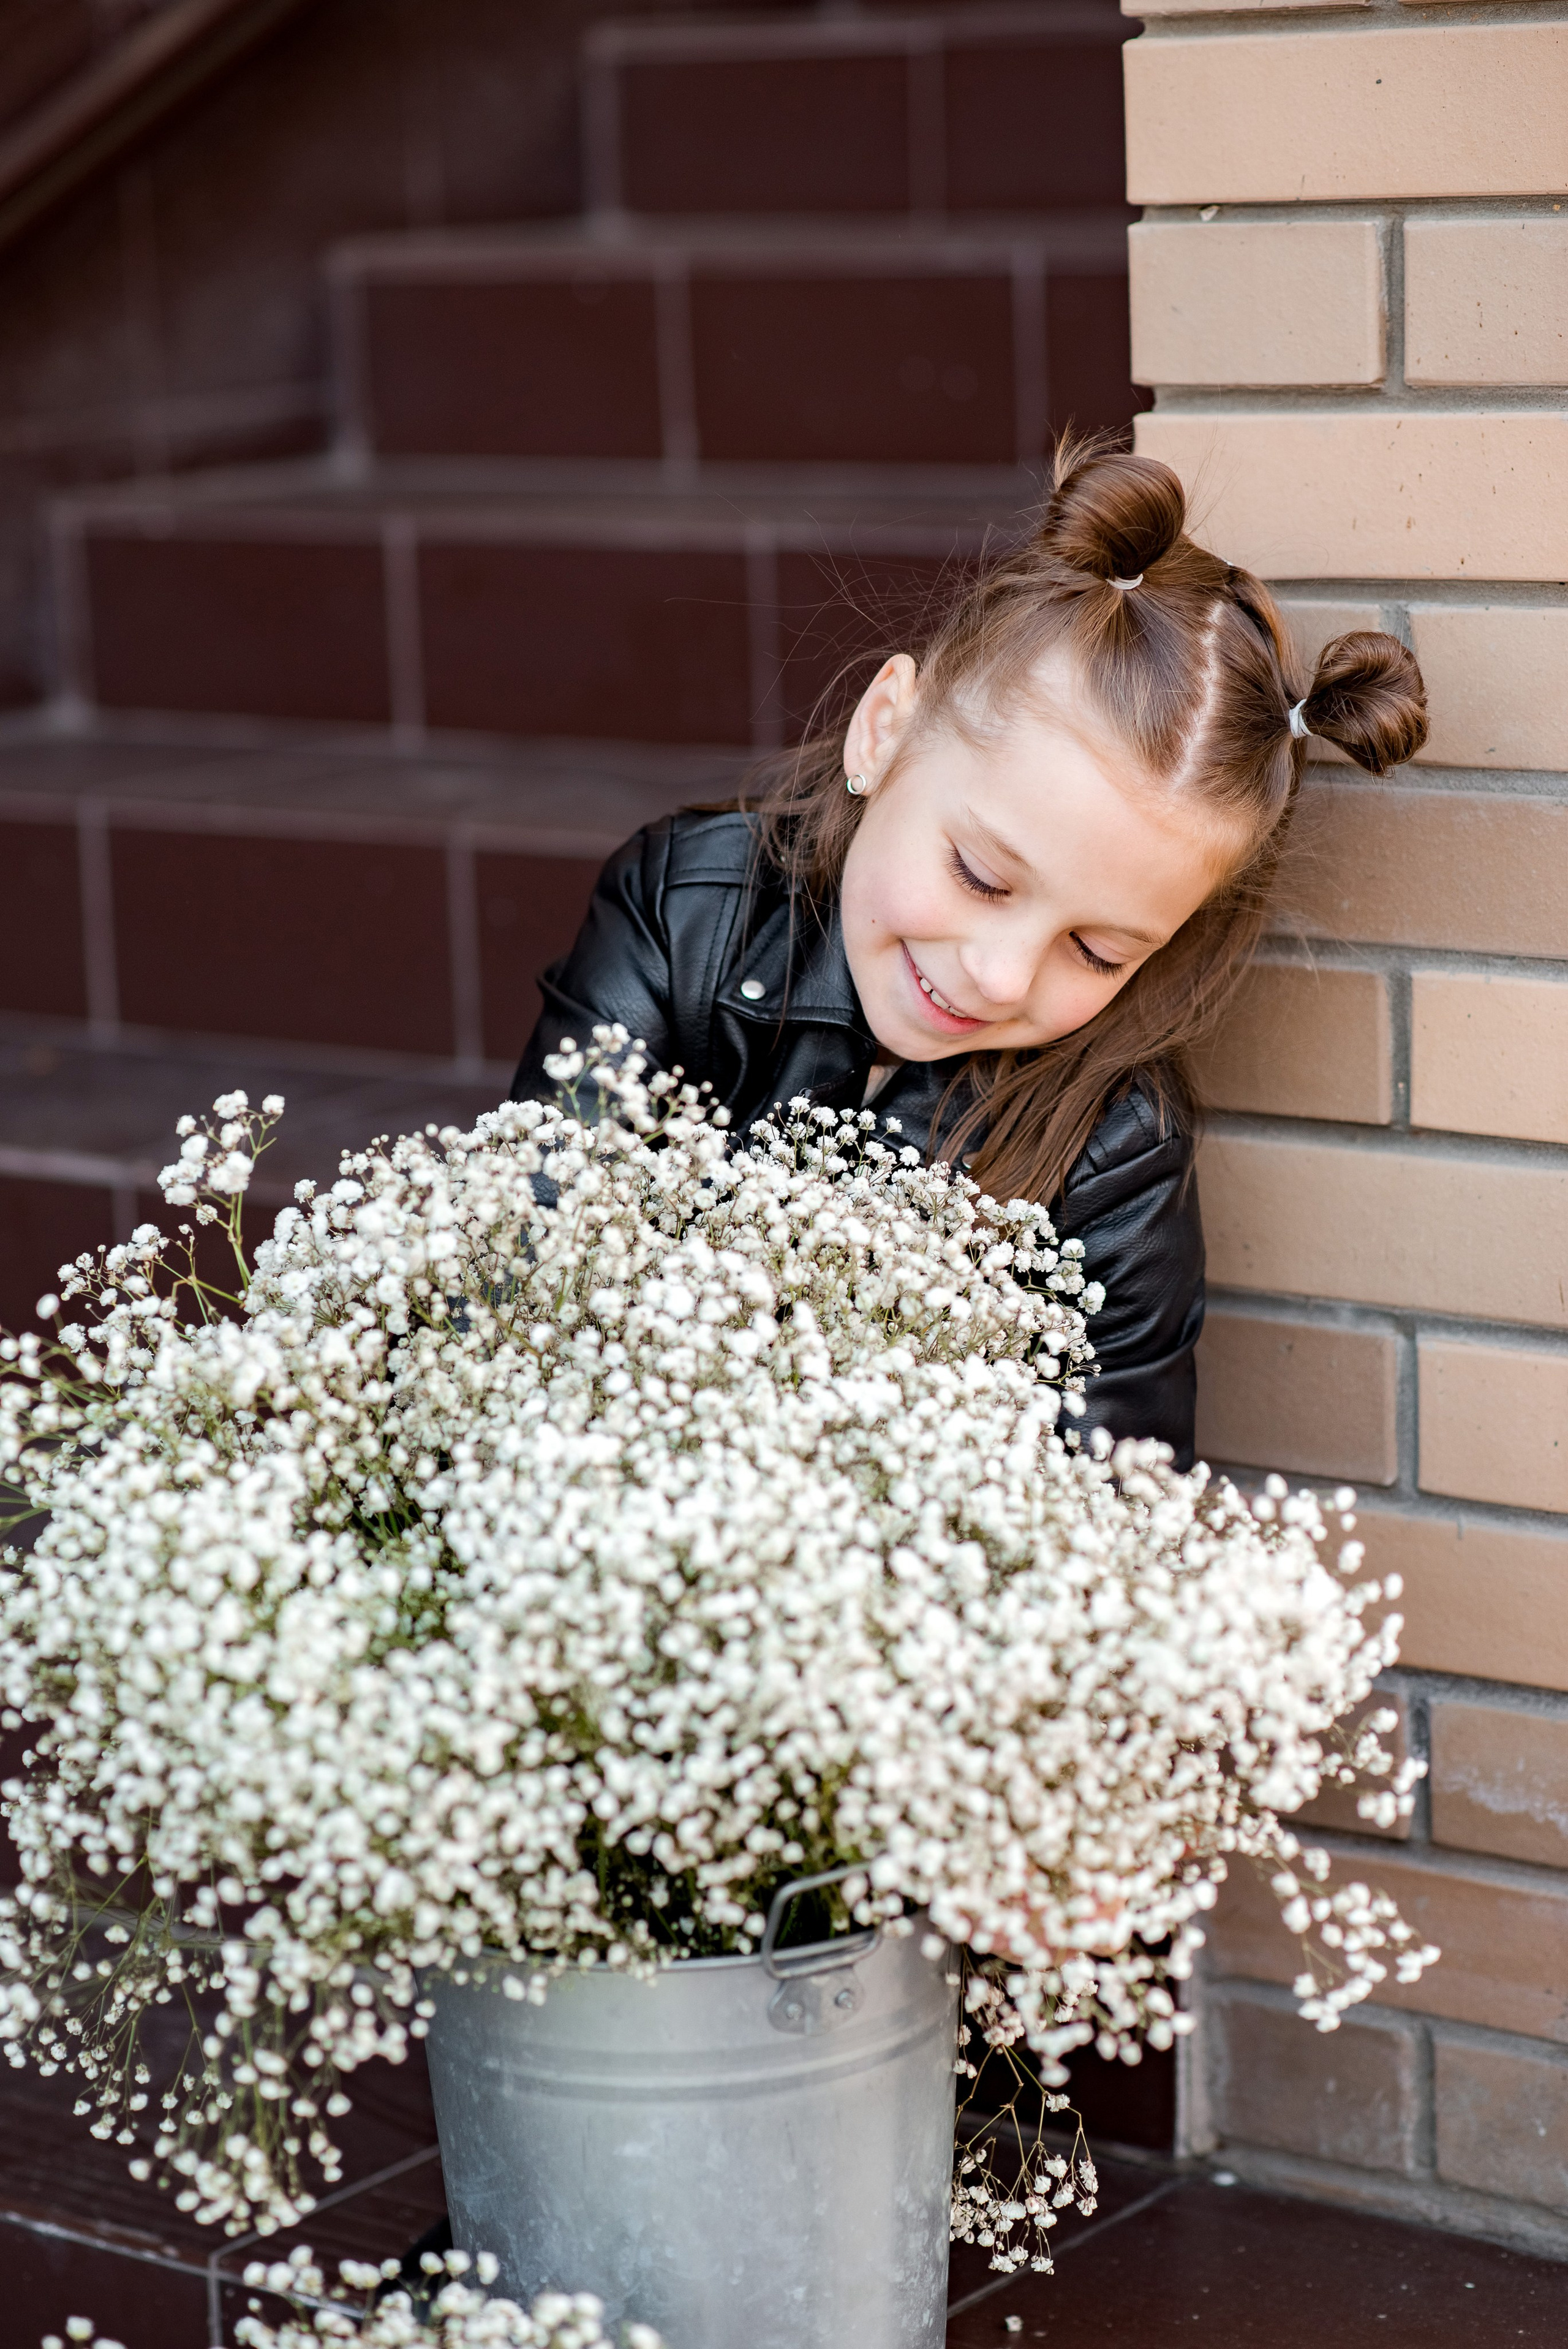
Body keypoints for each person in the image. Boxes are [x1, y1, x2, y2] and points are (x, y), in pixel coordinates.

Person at [510, 442, 1428, 1466]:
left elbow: (1119, 1503)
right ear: (884, 732)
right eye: (983, 878)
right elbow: (513, 1273)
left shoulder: (1115, 1155)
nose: (1000, 975)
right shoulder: (683, 914)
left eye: (1095, 948)